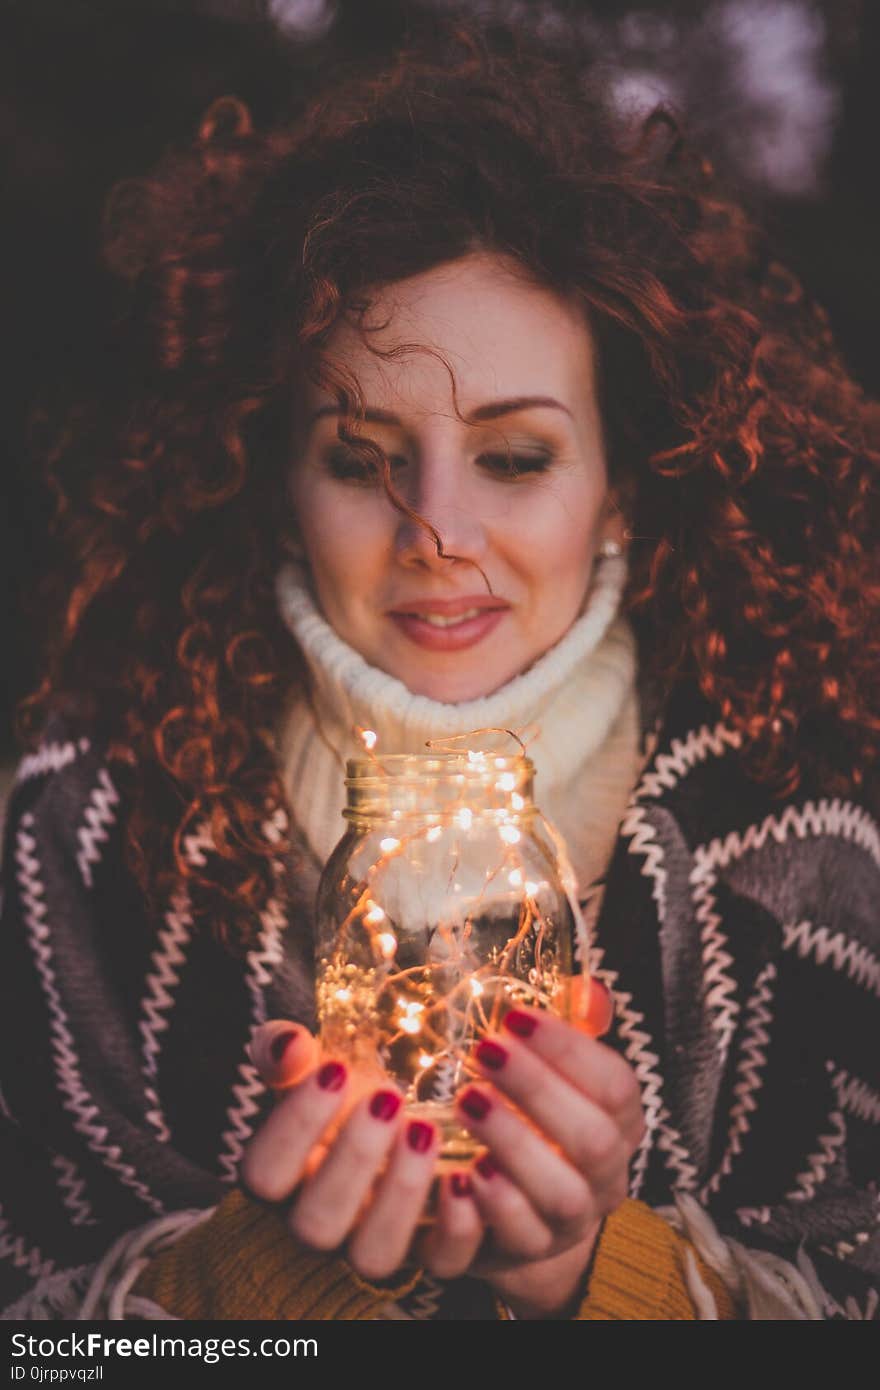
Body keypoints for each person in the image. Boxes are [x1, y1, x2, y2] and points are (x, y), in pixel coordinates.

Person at [1, 11, 878, 1322]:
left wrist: (618, 1278)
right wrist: (233, 1289)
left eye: (515, 456)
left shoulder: (800, 847)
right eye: (362, 458)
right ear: (272, 478)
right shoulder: (83, 839)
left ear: (621, 483)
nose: (439, 534)